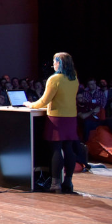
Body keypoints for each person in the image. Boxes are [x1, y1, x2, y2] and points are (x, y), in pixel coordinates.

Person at [25, 53, 81, 193]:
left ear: (59, 63)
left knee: (56, 149)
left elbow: (44, 101)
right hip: (71, 117)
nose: (53, 65)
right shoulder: (73, 77)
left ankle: (56, 184)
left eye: (54, 62)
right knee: (68, 149)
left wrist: (30, 105)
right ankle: (68, 181)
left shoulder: (54, 79)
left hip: (57, 118)